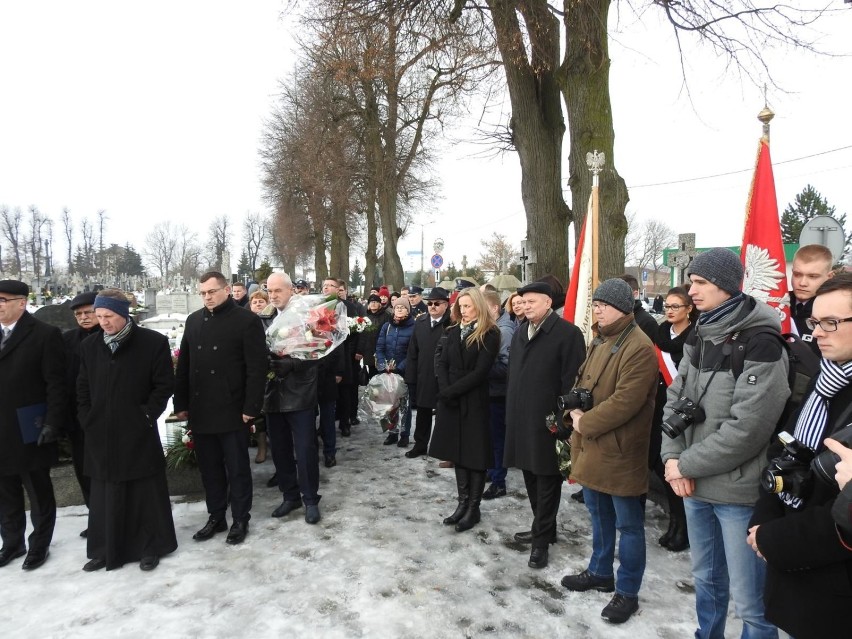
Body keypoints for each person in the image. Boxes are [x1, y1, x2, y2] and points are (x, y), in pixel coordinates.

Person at [661, 247, 790, 639]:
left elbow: (748, 429)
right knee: (707, 581)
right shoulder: (701, 334)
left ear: (724, 285)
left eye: (700, 283)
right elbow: (675, 399)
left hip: (737, 493)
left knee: (752, 603)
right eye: (692, 282)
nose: (692, 291)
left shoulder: (762, 341)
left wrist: (684, 465)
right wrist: (671, 458)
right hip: (693, 485)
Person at [747, 274, 852, 638]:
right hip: (795, 573)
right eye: (815, 322)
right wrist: (765, 518)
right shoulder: (825, 378)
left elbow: (845, 513)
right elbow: (785, 449)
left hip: (835, 591)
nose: (817, 332)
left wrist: (774, 540)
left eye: (831, 322)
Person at [560, 279, 658, 625]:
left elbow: (626, 402)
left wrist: (584, 422)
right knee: (598, 516)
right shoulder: (601, 339)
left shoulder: (640, 346)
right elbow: (583, 382)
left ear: (623, 308)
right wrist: (573, 408)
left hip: (619, 451)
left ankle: (627, 592)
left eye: (603, 305)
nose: (597, 310)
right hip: (592, 446)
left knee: (629, 526)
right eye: (595, 305)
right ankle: (600, 571)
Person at [77, 289, 177, 571]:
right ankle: (105, 549)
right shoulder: (90, 346)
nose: (103, 322)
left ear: (123, 314)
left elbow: (163, 385)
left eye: (108, 316)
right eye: (99, 316)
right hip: (101, 432)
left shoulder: (151, 342)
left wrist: (146, 415)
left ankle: (150, 546)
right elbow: (82, 387)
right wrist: (87, 417)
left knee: (143, 492)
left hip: (137, 430)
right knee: (105, 494)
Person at [174, 272, 268, 545]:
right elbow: (185, 367)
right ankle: (216, 516)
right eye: (203, 293)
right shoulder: (193, 321)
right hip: (201, 407)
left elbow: (256, 368)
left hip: (232, 407)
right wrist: (181, 403)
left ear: (226, 290)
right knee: (210, 468)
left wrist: (251, 406)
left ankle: (240, 518)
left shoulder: (246, 320)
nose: (207, 297)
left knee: (237, 467)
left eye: (212, 291)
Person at [504, 281, 585, 569]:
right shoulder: (520, 333)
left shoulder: (567, 334)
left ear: (548, 303)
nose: (525, 307)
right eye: (522, 302)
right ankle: (544, 528)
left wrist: (564, 419)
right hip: (521, 419)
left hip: (549, 422)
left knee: (548, 481)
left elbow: (572, 381)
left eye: (532, 302)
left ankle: (541, 543)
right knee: (530, 475)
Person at [0, 280, 65, 571]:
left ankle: (39, 544)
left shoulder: (44, 334)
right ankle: (12, 542)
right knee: (5, 491)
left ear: (21, 303)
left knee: (37, 490)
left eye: (2, 299)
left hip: (29, 427)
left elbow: (56, 384)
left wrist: (52, 422)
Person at [429, 288, 500, 532]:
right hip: (451, 401)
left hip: (473, 401)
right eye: (461, 306)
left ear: (479, 306)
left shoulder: (489, 333)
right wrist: (444, 388)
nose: (464, 311)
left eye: (468, 306)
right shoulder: (453, 331)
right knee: (458, 453)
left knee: (474, 455)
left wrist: (450, 391)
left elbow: (480, 372)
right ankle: (462, 503)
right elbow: (443, 363)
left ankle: (473, 508)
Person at [261, 272, 324, 524]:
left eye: (278, 290)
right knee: (280, 448)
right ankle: (290, 495)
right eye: (270, 291)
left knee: (306, 449)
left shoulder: (308, 318)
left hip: (301, 392)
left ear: (291, 291)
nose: (273, 295)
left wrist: (293, 365)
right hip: (273, 393)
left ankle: (310, 498)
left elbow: (321, 352)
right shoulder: (262, 319)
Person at [651, 287, 699, 552]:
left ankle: (685, 527)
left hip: (684, 408)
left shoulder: (696, 337)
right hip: (660, 404)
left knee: (681, 467)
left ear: (689, 308)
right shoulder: (660, 334)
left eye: (676, 306)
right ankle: (674, 521)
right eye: (667, 306)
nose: (669, 310)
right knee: (664, 465)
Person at [62, 291, 102, 536]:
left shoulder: (108, 336)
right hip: (78, 419)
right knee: (84, 470)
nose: (84, 318)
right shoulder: (67, 341)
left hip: (105, 417)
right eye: (79, 314)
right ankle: (95, 516)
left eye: (88, 312)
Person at [404, 287, 451, 458]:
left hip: (443, 378)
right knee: (423, 413)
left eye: (437, 303)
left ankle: (443, 448)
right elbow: (412, 351)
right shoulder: (421, 322)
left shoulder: (452, 324)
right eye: (429, 303)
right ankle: (420, 444)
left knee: (443, 415)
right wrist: (410, 377)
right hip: (423, 375)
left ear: (446, 305)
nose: (432, 306)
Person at [482, 289, 515, 499]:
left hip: (498, 392)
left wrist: (479, 369)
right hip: (490, 390)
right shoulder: (493, 326)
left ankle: (499, 481)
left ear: (495, 308)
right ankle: (493, 471)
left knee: (497, 438)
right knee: (491, 436)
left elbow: (506, 367)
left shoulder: (504, 331)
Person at [375, 295, 415, 447]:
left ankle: (404, 434)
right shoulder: (387, 327)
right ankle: (392, 433)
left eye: (403, 307)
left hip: (403, 372)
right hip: (386, 372)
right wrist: (382, 364)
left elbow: (412, 353)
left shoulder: (414, 327)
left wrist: (399, 367)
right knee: (389, 405)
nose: (399, 309)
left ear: (408, 310)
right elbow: (379, 348)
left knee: (404, 405)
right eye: (397, 307)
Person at [790, 244, 834, 357]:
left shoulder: (835, 312)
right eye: (797, 274)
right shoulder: (777, 303)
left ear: (829, 277)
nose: (802, 283)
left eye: (813, 276)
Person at [248, 288, 270, 463]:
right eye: (254, 302)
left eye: (261, 301)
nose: (257, 304)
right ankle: (262, 446)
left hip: (272, 370)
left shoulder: (273, 320)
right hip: (254, 372)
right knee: (258, 413)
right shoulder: (245, 322)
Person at [356, 294, 389, 379]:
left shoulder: (386, 316)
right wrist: (360, 351)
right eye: (371, 302)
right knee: (372, 375)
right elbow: (362, 335)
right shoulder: (366, 317)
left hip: (382, 351)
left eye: (376, 302)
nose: (373, 304)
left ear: (380, 304)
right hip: (369, 351)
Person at [619, 274, 658, 340]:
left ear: (634, 294)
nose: (616, 297)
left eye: (621, 293)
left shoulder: (648, 322)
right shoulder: (613, 316)